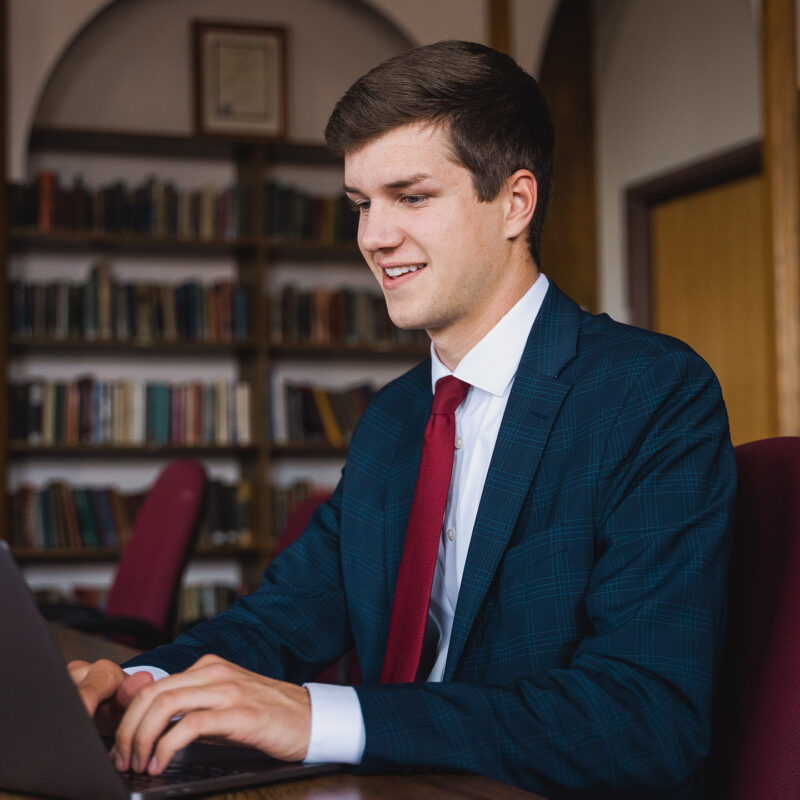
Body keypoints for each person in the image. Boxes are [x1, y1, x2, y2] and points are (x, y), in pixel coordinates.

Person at [69, 40, 736, 799]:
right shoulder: (394, 419)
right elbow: (280, 622)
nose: (373, 237)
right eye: (361, 204)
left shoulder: (649, 394)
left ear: (515, 203)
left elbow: (645, 718)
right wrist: (135, 683)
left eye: (411, 197)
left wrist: (322, 718)